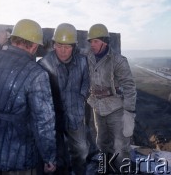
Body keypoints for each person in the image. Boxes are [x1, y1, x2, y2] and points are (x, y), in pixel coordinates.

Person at [0, 19, 56, 175]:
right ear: (35, 46)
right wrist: (49, 157)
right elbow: (44, 122)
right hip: (18, 156)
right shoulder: (37, 74)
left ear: (13, 39)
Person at [39, 23, 89, 175]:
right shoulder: (44, 64)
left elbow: (86, 82)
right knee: (57, 155)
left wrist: (81, 97)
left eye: (67, 47)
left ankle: (79, 172)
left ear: (74, 47)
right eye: (59, 46)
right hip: (53, 116)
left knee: (81, 151)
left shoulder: (82, 62)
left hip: (75, 113)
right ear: (54, 44)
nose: (63, 50)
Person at [86, 24, 137, 174]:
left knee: (121, 147)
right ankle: (104, 169)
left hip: (117, 109)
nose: (92, 45)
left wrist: (129, 111)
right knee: (101, 143)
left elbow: (129, 86)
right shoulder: (88, 58)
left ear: (104, 42)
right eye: (91, 41)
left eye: (96, 41)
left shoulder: (118, 60)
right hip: (97, 107)